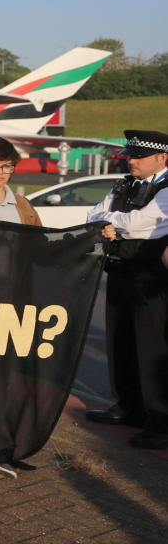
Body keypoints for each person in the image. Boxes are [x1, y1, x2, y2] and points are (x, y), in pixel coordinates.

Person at [83, 129, 168, 449]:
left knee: (152, 349)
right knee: (121, 343)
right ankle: (129, 406)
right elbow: (93, 215)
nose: (131, 161)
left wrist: (114, 224)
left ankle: (160, 419)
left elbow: (141, 224)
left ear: (162, 158)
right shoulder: (124, 184)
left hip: (151, 278)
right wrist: (115, 225)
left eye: (138, 156)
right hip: (119, 270)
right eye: (130, 155)